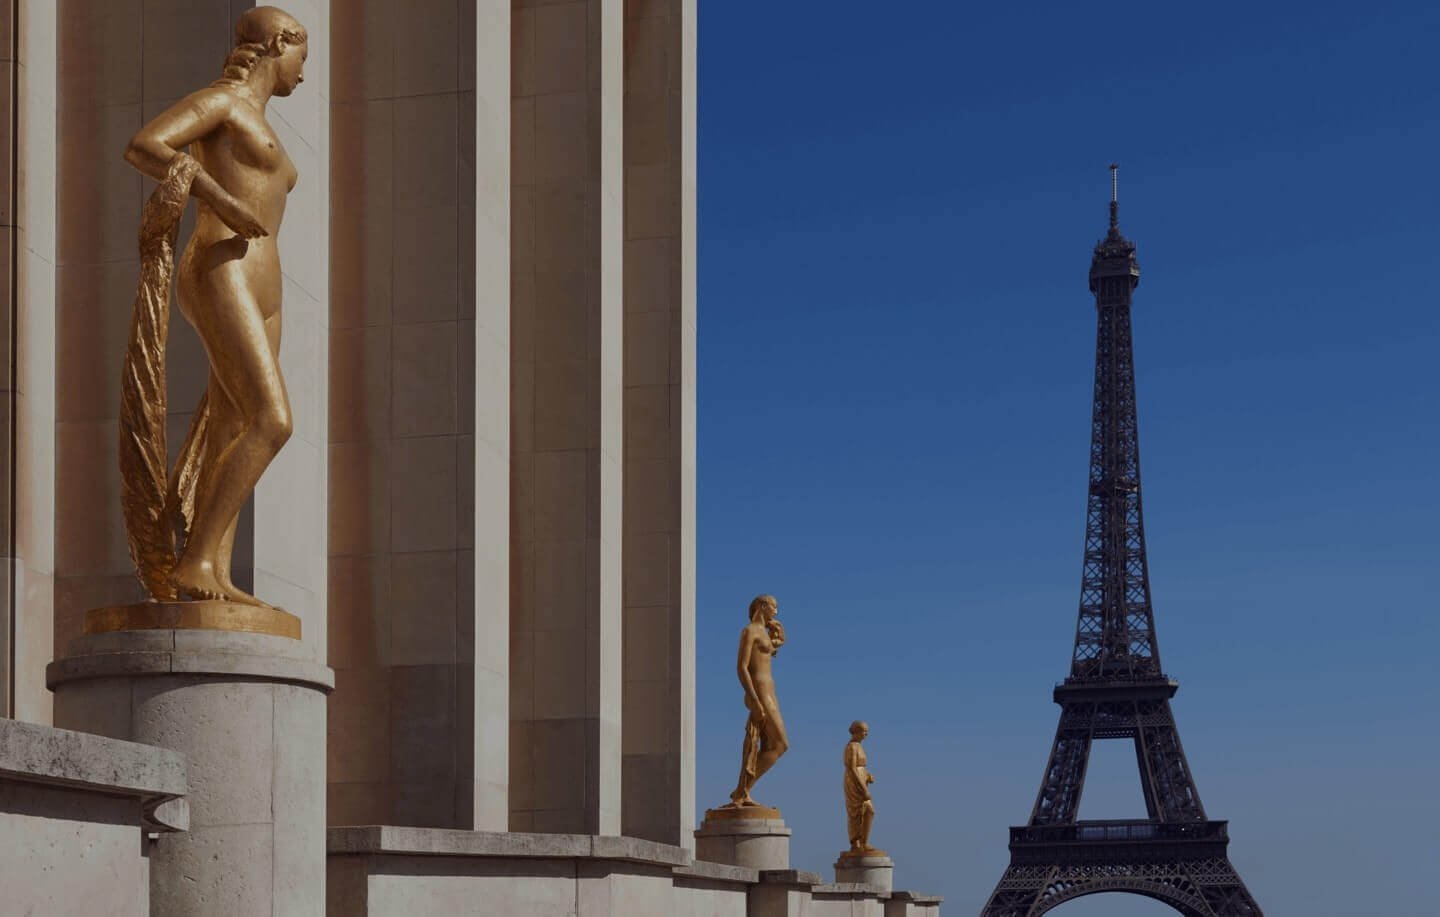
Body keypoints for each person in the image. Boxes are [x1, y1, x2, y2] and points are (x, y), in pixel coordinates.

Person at [121, 6, 308, 605]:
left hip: (264, 282)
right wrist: (221, 199)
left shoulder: (260, 120)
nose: (304, 73)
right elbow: (146, 146)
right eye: (303, 56)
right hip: (220, 266)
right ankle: (194, 559)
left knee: (231, 424)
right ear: (279, 45)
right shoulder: (222, 104)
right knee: (273, 420)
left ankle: (215, 575)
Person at [727, 594, 789, 807]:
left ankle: (742, 791)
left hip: (771, 692)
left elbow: (772, 648)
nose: (776, 611)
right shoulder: (750, 630)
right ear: (762, 606)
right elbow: (742, 667)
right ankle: (742, 790)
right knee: (781, 744)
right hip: (760, 693)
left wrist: (780, 635)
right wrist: (753, 698)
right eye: (774, 606)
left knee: (771, 745)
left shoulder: (762, 632)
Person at [843, 720, 877, 852]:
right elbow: (852, 768)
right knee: (857, 812)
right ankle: (856, 842)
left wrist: (867, 776)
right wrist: (863, 788)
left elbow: (860, 766)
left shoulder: (859, 746)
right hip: (853, 781)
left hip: (861, 777)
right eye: (863, 731)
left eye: (867, 731)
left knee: (868, 811)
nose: (866, 734)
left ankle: (864, 842)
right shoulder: (851, 747)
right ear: (856, 731)